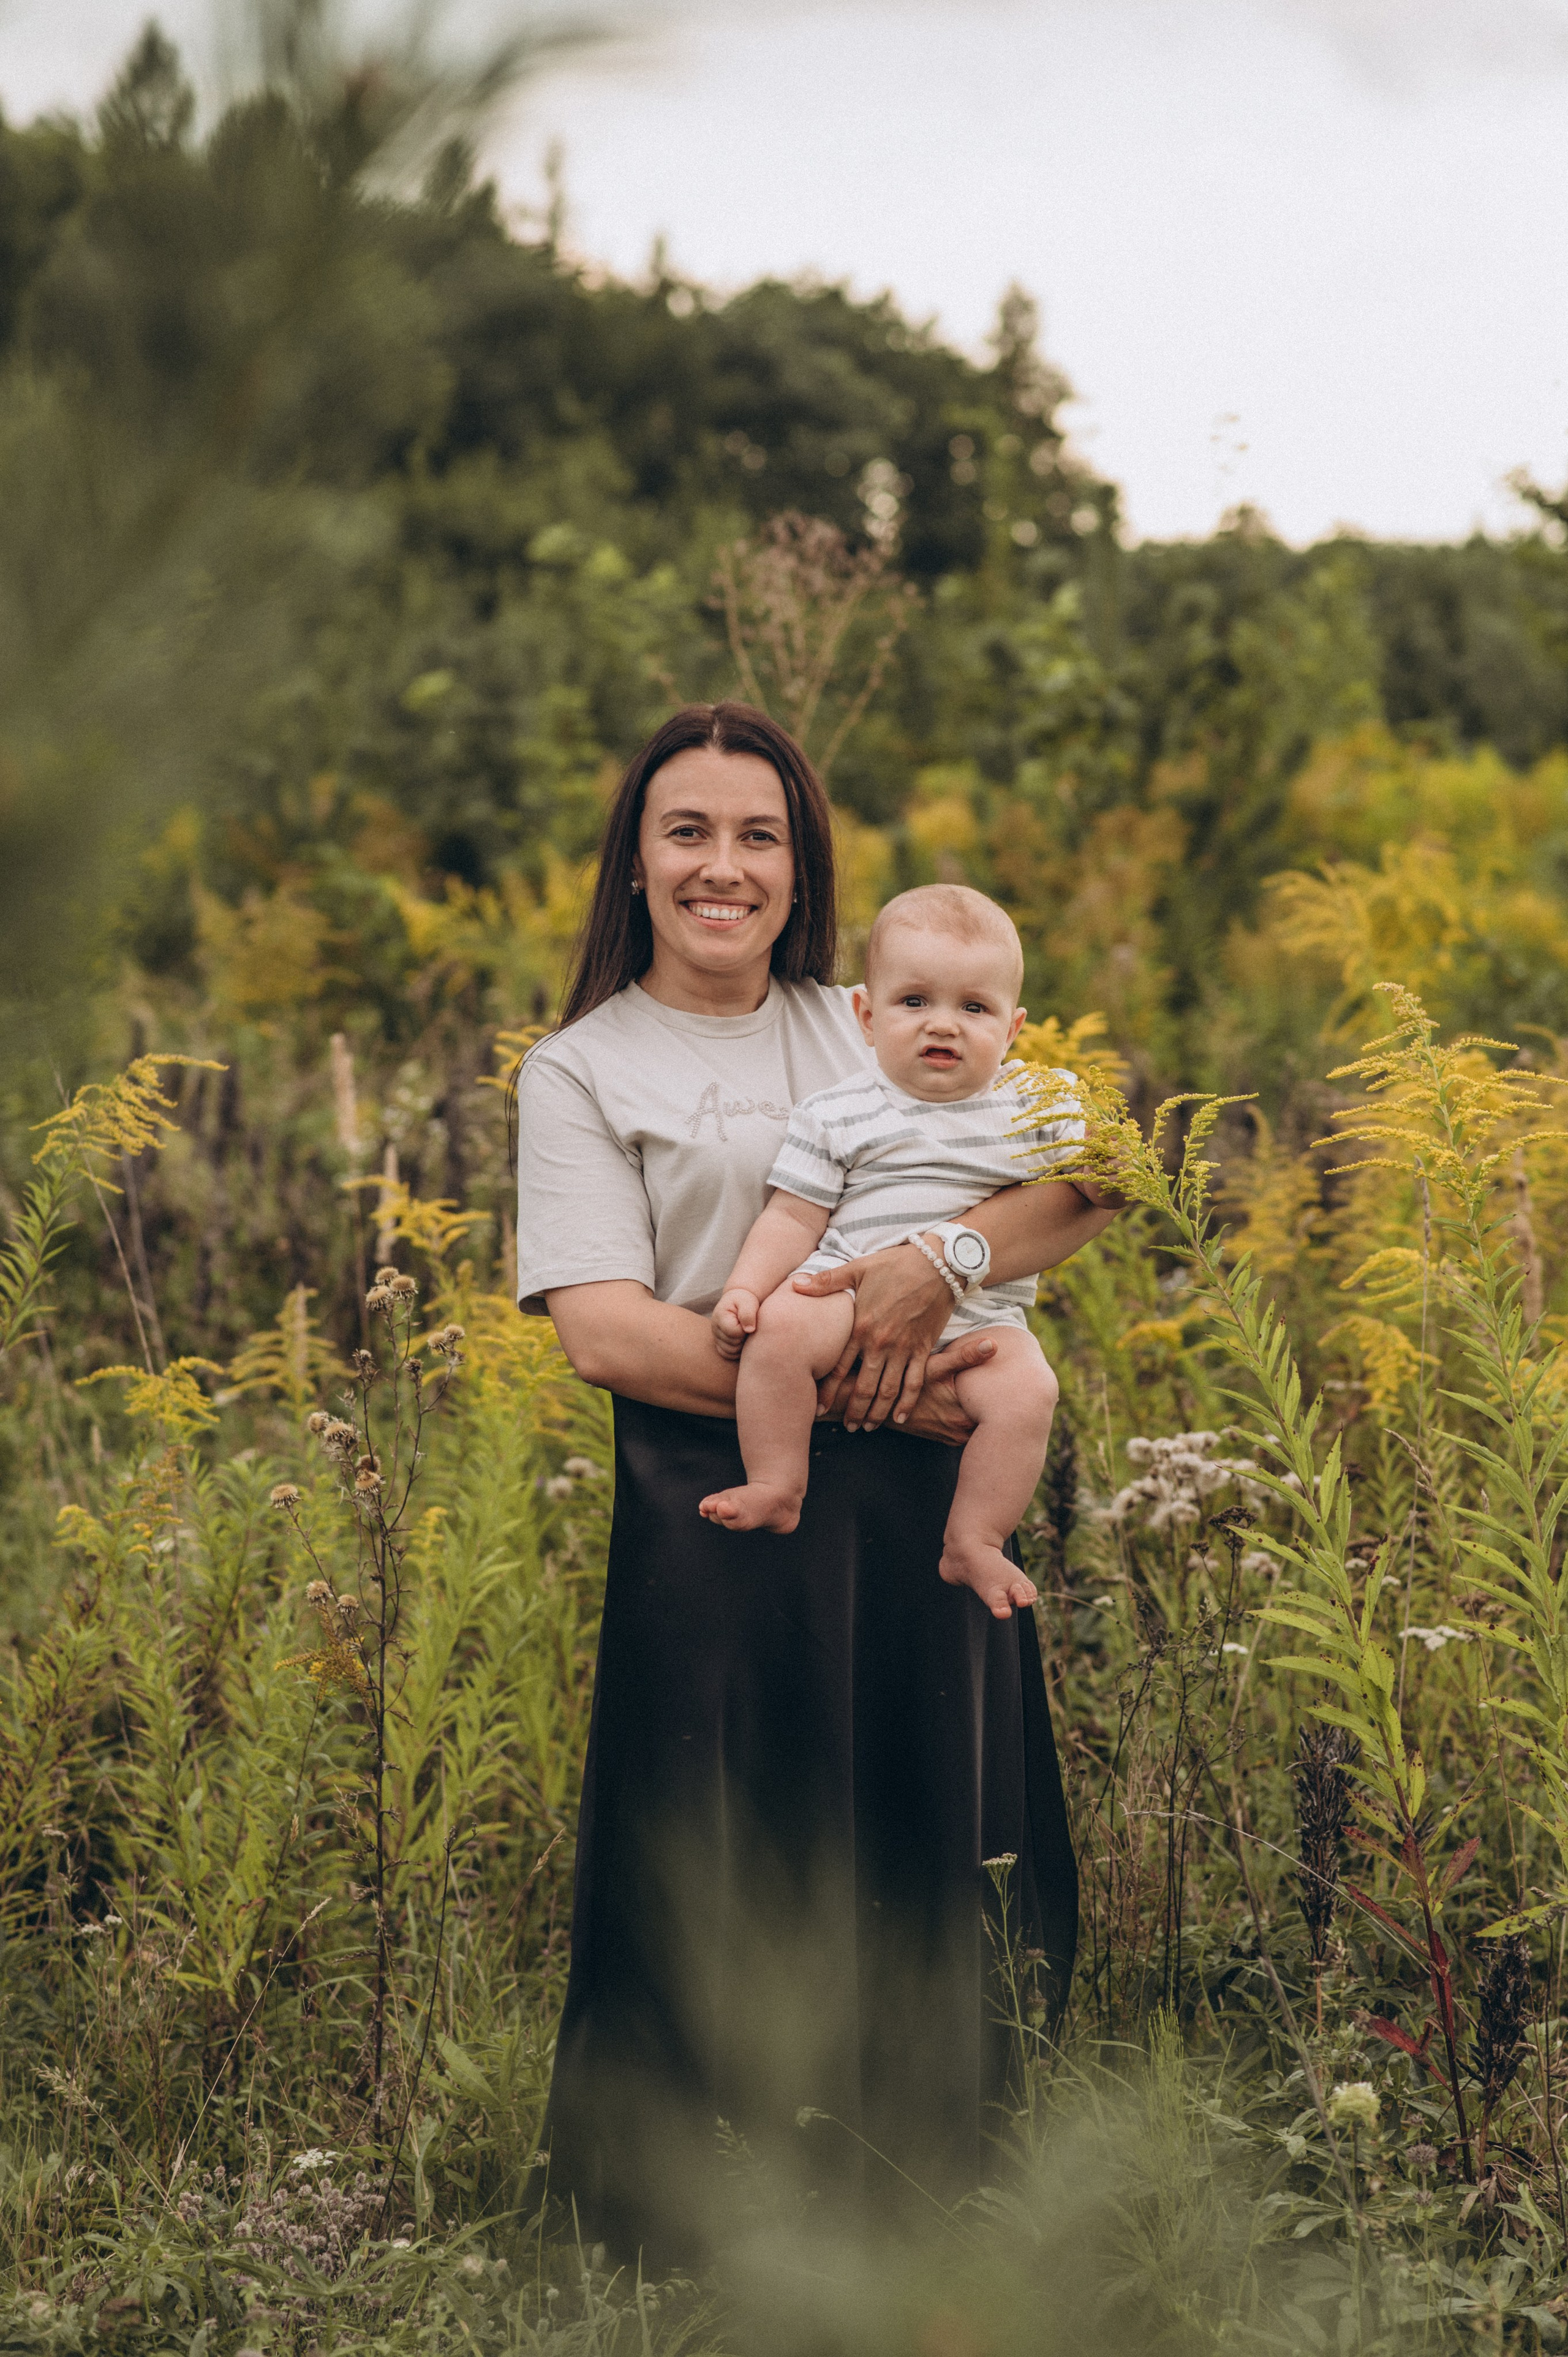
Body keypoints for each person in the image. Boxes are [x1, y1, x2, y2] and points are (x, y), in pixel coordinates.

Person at [514, 703, 1117, 2264]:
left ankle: (935, 2203)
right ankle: (683, 2222)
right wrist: (865, 1378)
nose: (724, 865)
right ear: (634, 864)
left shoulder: (871, 1011)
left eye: (759, 834)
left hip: (921, 1512)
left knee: (931, 1829)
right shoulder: (580, 1068)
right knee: (726, 1847)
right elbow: (607, 1331)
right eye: (688, 831)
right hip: (715, 1514)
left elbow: (1082, 1176)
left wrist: (940, 1264)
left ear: (804, 865)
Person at [701, 883, 1071, 1624]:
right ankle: (777, 1481)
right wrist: (745, 1287)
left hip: (984, 1315)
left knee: (1030, 1394)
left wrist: (1105, 1156)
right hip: (847, 1288)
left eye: (974, 1007)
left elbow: (1093, 1189)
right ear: (866, 1016)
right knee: (776, 1332)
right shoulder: (839, 1110)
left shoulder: (1034, 1103)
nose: (943, 1024)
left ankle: (974, 1536)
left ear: (1014, 1027)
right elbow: (791, 1215)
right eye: (914, 1003)